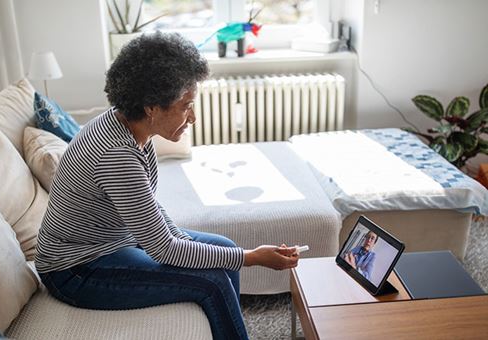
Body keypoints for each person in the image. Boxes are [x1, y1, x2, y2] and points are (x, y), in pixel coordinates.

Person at [34, 32, 300, 340]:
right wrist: (253, 256)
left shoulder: (131, 129)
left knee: (224, 247)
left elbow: (149, 209)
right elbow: (163, 249)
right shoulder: (116, 154)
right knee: (213, 282)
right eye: (186, 105)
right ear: (151, 107)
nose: (194, 117)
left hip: (116, 243)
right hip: (75, 270)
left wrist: (195, 240)